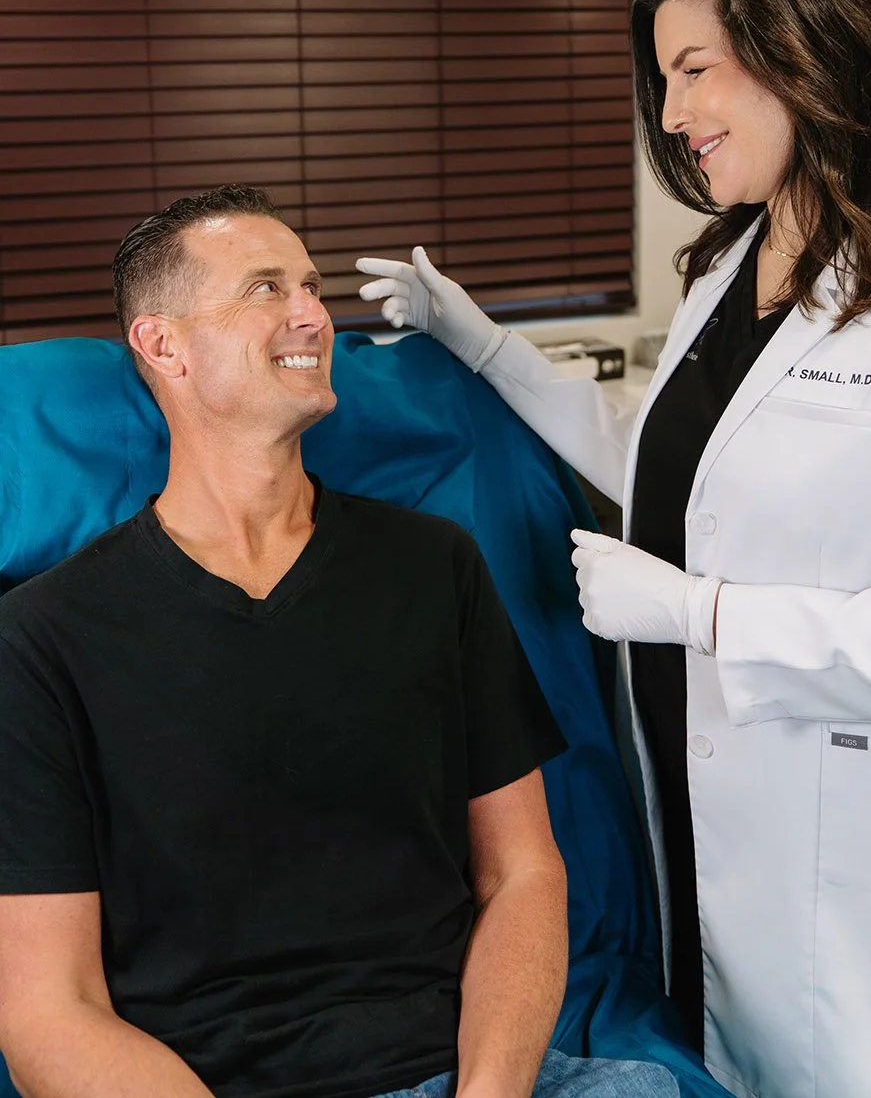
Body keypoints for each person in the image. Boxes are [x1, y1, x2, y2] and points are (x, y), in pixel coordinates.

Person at [357, 0, 871, 1098]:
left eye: (696, 71)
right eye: (662, 81)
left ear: (805, 49)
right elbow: (655, 457)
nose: (675, 114)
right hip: (718, 826)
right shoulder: (735, 267)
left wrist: (703, 613)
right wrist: (483, 345)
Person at [0, 185, 678, 1098]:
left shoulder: (436, 567)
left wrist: (489, 1092)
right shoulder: (44, 637)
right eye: (267, 289)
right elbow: (48, 1011)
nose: (313, 315)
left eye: (313, 287)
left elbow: (524, 871)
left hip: (467, 1071)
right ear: (164, 346)